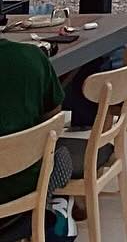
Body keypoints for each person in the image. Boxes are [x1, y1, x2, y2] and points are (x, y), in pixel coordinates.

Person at [0, 34, 72, 242]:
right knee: (60, 155)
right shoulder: (32, 57)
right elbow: (53, 121)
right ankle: (51, 208)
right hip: (24, 191)